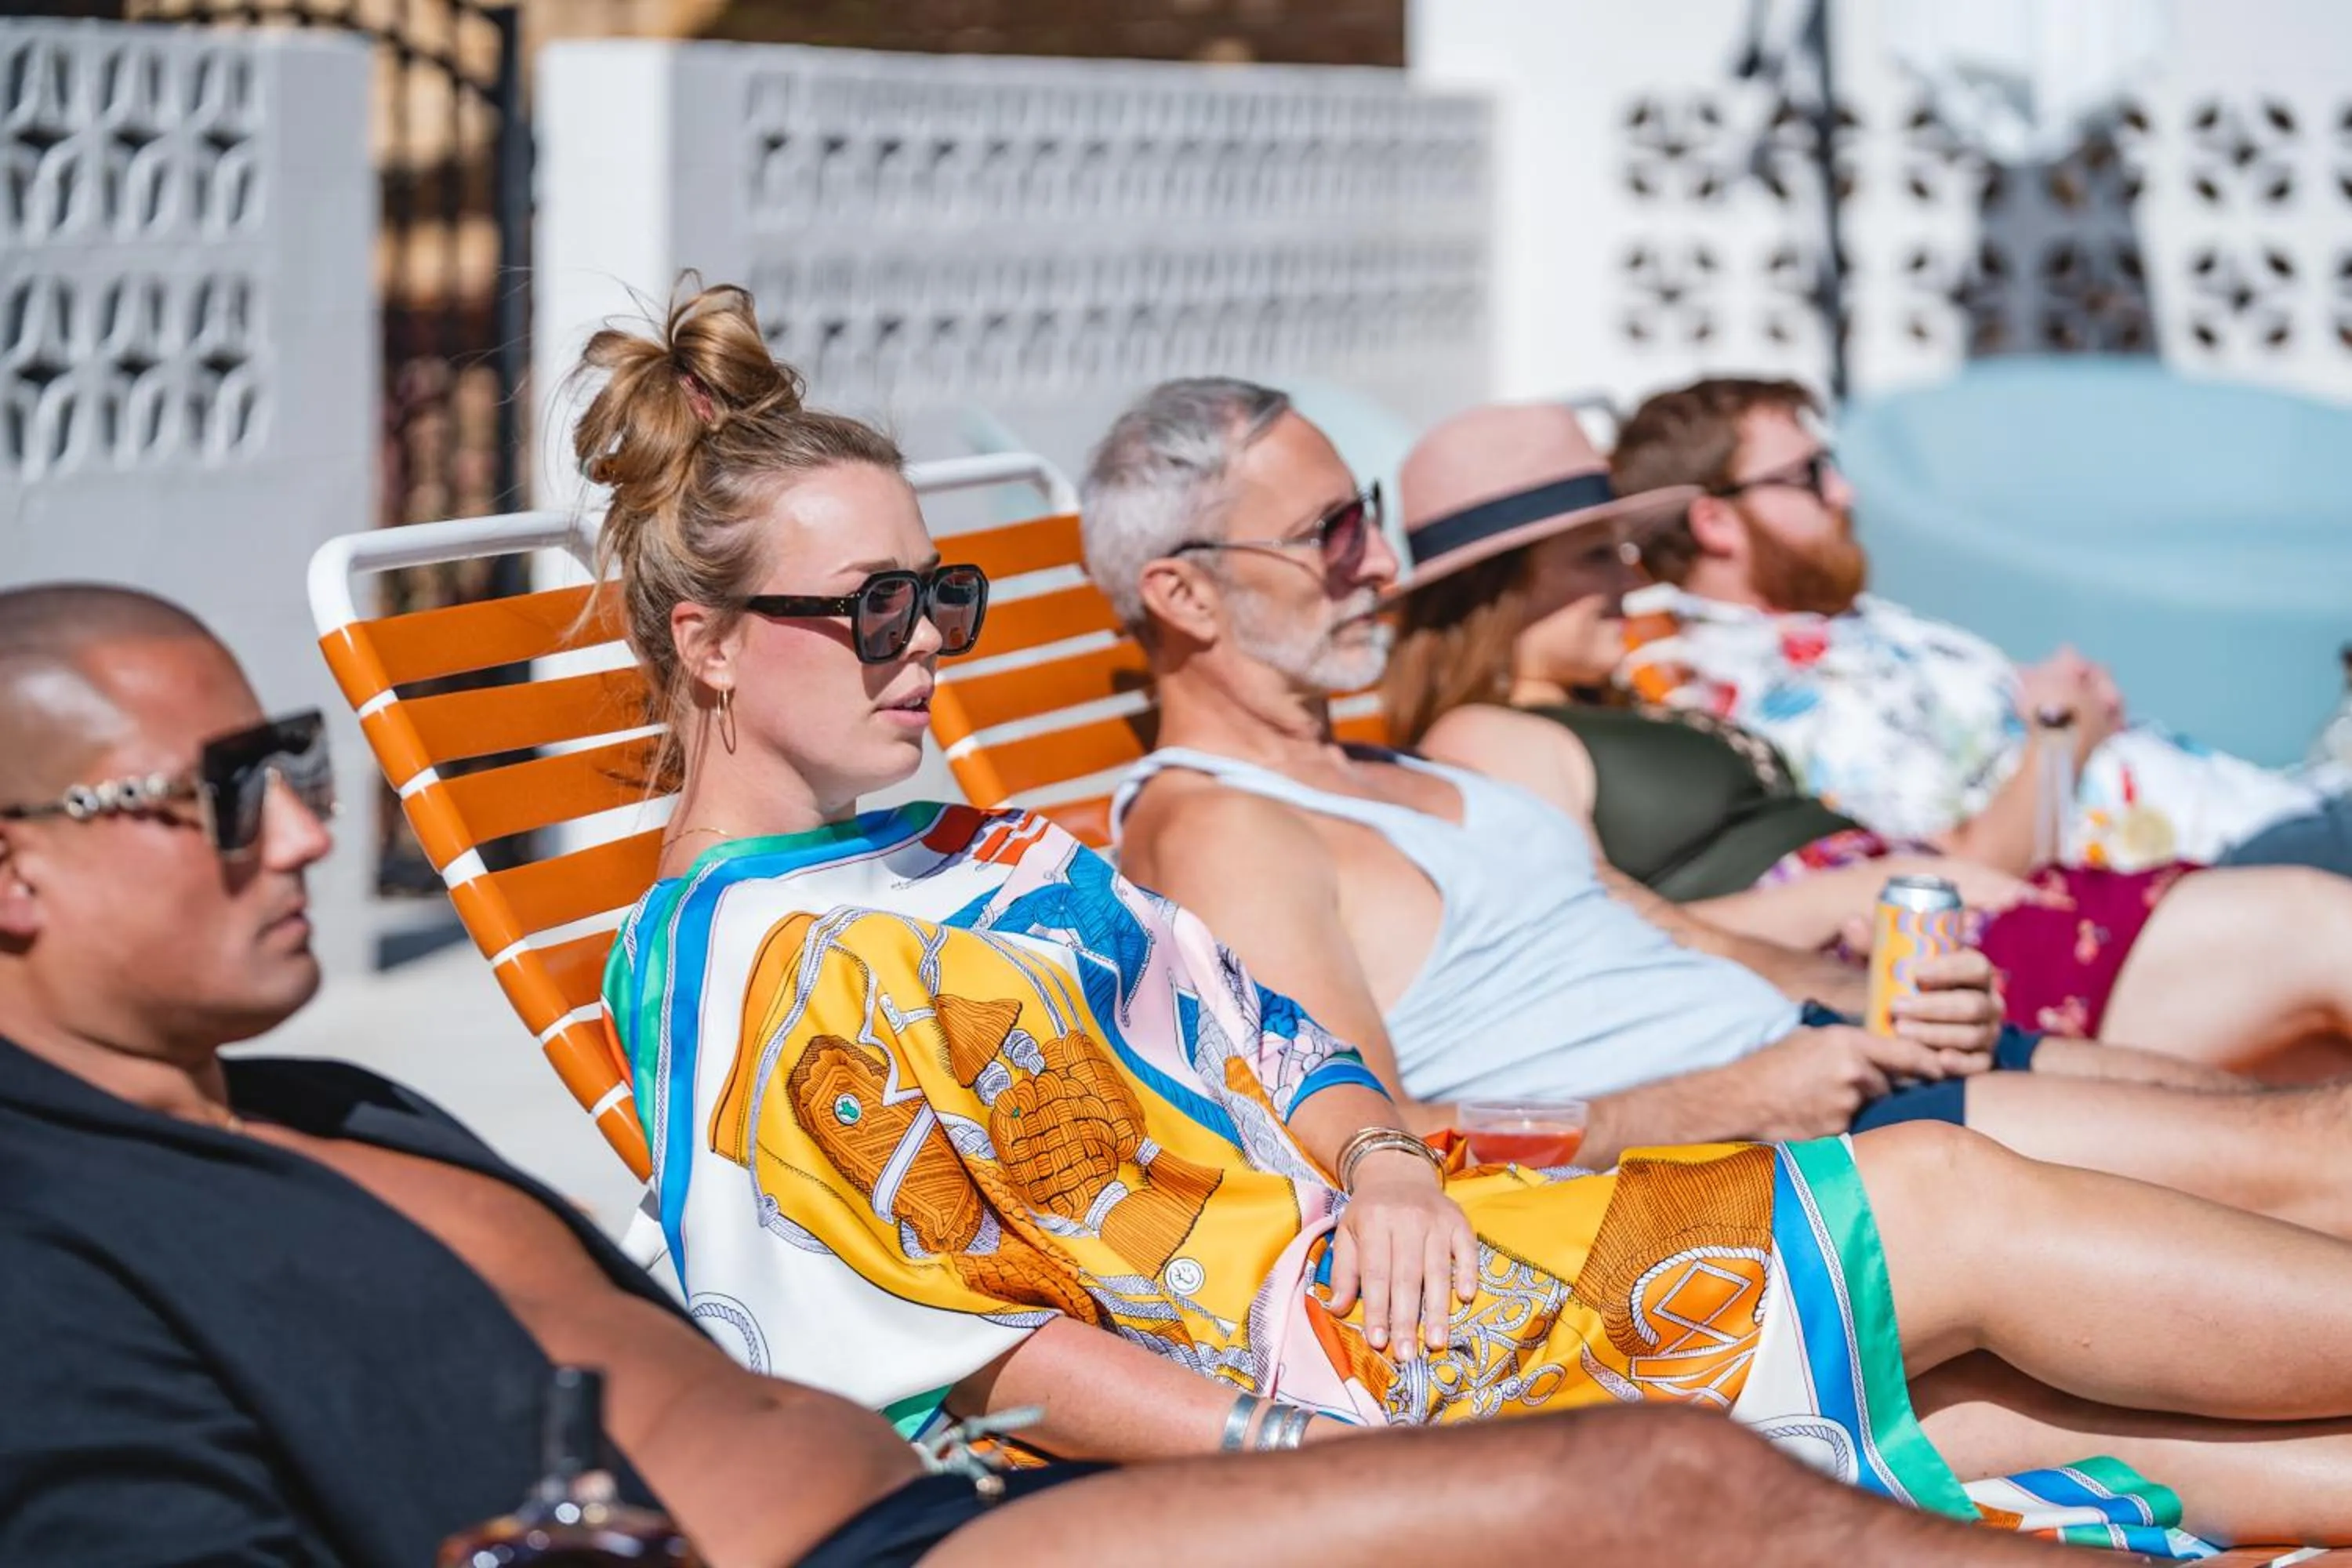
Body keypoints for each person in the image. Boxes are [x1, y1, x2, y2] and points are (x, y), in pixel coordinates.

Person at [593, 284, 2352, 1557]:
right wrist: (1306, 1451)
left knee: (1966, 1410)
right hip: (1330, 1389)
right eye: (875, 605)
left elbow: (1280, 1043)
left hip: (1416, 1263)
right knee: (1941, 1202)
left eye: (945, 595)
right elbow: (955, 1363)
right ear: (714, 643)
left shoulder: (970, 850)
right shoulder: (749, 974)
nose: (924, 643)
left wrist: (1380, 1162)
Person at [0, 596, 2058, 1568]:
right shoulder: (52, 1248)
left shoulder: (322, 1110)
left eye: (297, 767)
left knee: (1800, 1417)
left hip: (1003, 1487)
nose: (296, 836)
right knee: (1678, 1489)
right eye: (221, 794)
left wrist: (1380, 1153)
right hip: (963, 1526)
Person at [1380, 399, 2352, 1071]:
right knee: (2318, 930)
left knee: (2312, 1054)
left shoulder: (1618, 701)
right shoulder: (1483, 734)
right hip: (1907, 959)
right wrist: (1873, 887)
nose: (1632, 585)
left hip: (1935, 927)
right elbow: (1600, 938)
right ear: (1499, 594)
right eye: (1597, 558)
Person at [1607, 376, 2352, 879]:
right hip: (2225, 875)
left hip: (2266, 812)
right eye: (1806, 475)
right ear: (1715, 522)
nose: (1843, 491)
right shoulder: (1773, 697)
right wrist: (2068, 728)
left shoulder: (1831, 627)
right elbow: (1958, 874)